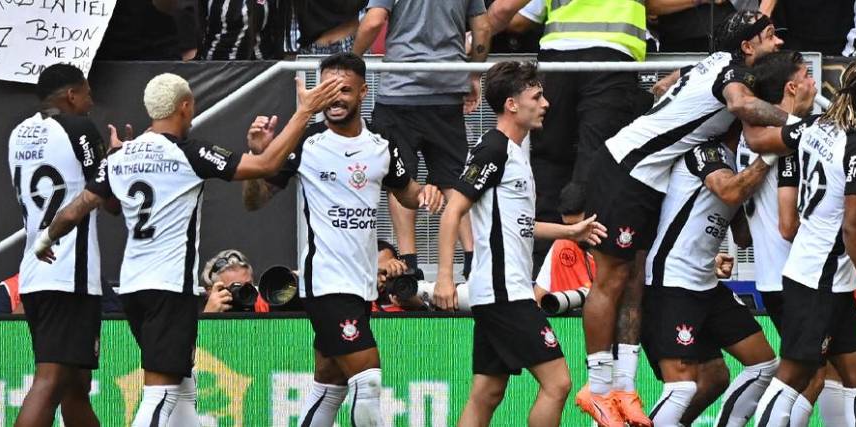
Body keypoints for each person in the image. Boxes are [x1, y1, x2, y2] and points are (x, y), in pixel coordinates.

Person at [33, 69, 343, 426]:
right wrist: (304, 113)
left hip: (132, 288)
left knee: (181, 392)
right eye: (191, 105)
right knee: (160, 395)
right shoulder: (188, 153)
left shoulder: (119, 156)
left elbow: (78, 206)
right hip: (169, 288)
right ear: (184, 106)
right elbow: (266, 164)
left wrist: (45, 239)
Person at [560, 11, 787, 426]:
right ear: (747, 45)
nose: (777, 45)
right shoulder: (732, 75)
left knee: (631, 277)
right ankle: (597, 387)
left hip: (648, 178)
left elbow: (670, 81)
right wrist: (796, 125)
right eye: (770, 36)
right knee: (610, 277)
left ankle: (624, 390)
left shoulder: (714, 63)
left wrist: (667, 94)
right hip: (626, 165)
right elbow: (738, 102)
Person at [242, 53, 443, 427]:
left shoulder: (382, 147)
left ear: (364, 92)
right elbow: (254, 201)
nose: (334, 99)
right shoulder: (305, 143)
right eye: (327, 90)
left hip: (362, 283)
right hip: (326, 281)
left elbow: (407, 193)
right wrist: (259, 154)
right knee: (367, 382)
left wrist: (428, 193)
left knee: (330, 385)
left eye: (344, 90)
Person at [432, 61, 605, 427]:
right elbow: (454, 210)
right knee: (558, 384)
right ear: (512, 104)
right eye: (536, 96)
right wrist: (445, 277)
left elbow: (520, 225)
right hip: (504, 293)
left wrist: (569, 233)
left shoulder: (514, 152)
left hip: (502, 291)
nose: (545, 104)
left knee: (487, 393)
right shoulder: (494, 148)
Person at [745, 58, 856, 427]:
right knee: (796, 375)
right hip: (819, 279)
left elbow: (756, 138)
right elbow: (853, 228)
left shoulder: (816, 126)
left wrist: (745, 105)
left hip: (825, 277)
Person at [487, 0, 652, 279]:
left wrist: (476, 36)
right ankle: (590, 274)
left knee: (550, 160)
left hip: (557, 58)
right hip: (613, 56)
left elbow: (517, 18)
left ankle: (544, 273)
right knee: (600, 162)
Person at [640, 115, 779, 426]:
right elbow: (729, 192)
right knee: (682, 387)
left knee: (755, 366)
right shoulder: (705, 151)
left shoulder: (733, 166)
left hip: (705, 283)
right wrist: (771, 155)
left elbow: (742, 237)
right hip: (671, 282)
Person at [741, 50, 850, 427]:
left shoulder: (754, 138)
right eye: (807, 75)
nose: (814, 83)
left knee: (830, 371)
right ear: (791, 87)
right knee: (813, 374)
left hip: (776, 275)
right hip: (796, 278)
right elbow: (788, 225)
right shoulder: (787, 144)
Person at [353, 0, 491, 276]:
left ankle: (409, 264)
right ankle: (472, 260)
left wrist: (352, 62)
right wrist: (473, 75)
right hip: (447, 91)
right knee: (455, 181)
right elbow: (483, 28)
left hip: (399, 92)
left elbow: (373, 21)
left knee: (401, 179)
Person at [8, 64, 110, 427]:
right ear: (71, 95)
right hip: (69, 275)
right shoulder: (79, 128)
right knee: (50, 384)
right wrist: (110, 158)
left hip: (35, 273)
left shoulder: (18, 133)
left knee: (75, 387)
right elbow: (108, 199)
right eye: (86, 94)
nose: (91, 102)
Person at [533, 182, 596, 302]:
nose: (575, 233)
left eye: (579, 225)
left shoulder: (612, 251)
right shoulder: (561, 244)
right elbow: (538, 299)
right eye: (569, 227)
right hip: (561, 319)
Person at [199, 249, 270, 313]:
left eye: (248, 285)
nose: (244, 292)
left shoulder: (261, 306)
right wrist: (208, 316)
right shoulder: (192, 316)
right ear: (210, 292)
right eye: (236, 287)